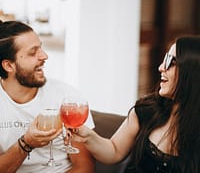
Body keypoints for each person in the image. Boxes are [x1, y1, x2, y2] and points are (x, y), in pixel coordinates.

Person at [71, 36, 200, 172]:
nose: (161, 67)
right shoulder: (147, 109)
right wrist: (88, 137)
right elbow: (114, 150)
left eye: (171, 62)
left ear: (192, 72)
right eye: (165, 59)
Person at [0, 20, 95, 173]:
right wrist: (26, 143)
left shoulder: (67, 97)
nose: (44, 56)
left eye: (41, 48)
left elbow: (84, 167)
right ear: (9, 65)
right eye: (33, 52)